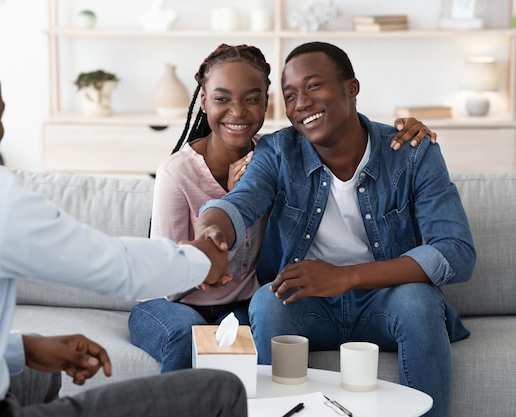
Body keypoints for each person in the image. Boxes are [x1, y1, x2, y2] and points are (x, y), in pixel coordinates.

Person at [0, 37, 247, 417]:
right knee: (221, 389)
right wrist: (202, 260)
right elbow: (114, 267)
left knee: (37, 373)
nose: (0, 130)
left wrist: (23, 348)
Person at [195, 41, 475, 417]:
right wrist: (210, 233)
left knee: (419, 301)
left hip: (385, 300)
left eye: (313, 86)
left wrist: (345, 277)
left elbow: (456, 251)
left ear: (351, 88)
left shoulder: (411, 152)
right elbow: (239, 203)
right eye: (290, 95)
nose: (301, 104)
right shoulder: (278, 151)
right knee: (268, 302)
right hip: (307, 305)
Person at [129, 43, 440, 373]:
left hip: (238, 305)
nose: (238, 111)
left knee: (245, 342)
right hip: (172, 301)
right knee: (186, 337)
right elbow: (166, 278)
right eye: (222, 98)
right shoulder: (178, 173)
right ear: (204, 101)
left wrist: (403, 136)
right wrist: (206, 254)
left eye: (252, 99)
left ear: (266, 103)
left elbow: (337, 132)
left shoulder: (276, 154)